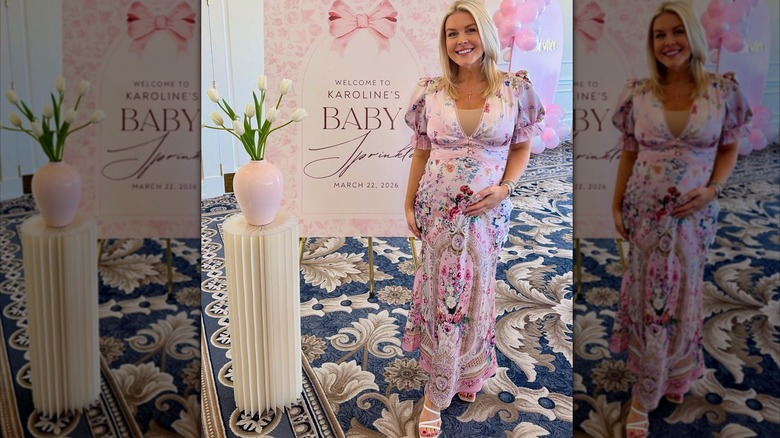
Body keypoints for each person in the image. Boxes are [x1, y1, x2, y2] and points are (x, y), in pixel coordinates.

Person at [402, 1, 545, 436]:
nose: (461, 40)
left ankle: (469, 368)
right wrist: (408, 203)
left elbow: (521, 146)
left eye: (470, 30)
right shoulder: (430, 91)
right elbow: (422, 152)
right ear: (444, 41)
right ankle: (439, 389)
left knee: (477, 289)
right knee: (445, 292)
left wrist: (505, 188)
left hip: (487, 215)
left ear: (486, 35)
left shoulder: (515, 89)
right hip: (438, 210)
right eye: (452, 33)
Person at [609, 2, 752, 437]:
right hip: (646, 212)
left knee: (685, 292)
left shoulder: (722, 91)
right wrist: (616, 205)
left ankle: (678, 368)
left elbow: (729, 147)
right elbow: (629, 153)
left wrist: (713, 189)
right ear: (651, 43)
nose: (669, 41)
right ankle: (646, 388)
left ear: (694, 37)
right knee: (651, 295)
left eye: (677, 32)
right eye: (660, 35)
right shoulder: (638, 92)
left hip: (695, 217)